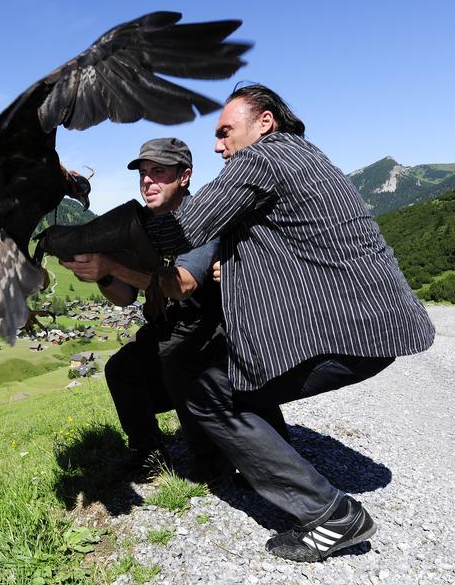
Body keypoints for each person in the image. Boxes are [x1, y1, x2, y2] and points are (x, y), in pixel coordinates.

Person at [37, 84, 435, 562]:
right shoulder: (305, 156)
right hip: (373, 322)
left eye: (225, 132)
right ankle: (262, 460)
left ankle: (329, 513)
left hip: (348, 326)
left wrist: (67, 238)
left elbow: (180, 231)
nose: (218, 145)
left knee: (209, 388)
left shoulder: (261, 160)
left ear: (264, 122)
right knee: (236, 379)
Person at [60, 137, 287, 475]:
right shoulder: (141, 226)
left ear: (185, 176)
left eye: (159, 172)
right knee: (122, 369)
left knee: (181, 370)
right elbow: (125, 297)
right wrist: (100, 274)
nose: (148, 180)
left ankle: (229, 455)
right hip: (168, 330)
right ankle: (149, 453)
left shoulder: (202, 217)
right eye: (143, 173)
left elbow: (182, 285)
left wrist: (113, 267)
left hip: (213, 334)